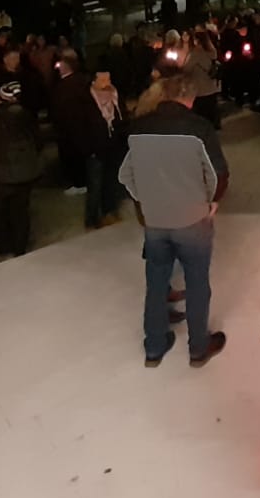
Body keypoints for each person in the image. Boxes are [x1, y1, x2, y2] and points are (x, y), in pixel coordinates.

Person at [118, 71, 229, 368]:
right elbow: (217, 172)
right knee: (196, 281)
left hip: (155, 220)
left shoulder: (139, 128)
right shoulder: (198, 128)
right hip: (193, 218)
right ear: (189, 97)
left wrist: (145, 200)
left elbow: (125, 174)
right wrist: (213, 202)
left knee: (156, 280)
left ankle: (154, 346)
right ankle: (198, 347)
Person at [0, 82, 44, 258]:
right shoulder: (29, 117)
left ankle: (4, 247)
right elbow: (38, 143)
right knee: (21, 212)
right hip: (26, 175)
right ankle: (20, 247)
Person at [83, 65, 126, 229]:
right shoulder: (86, 100)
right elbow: (81, 126)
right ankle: (92, 218)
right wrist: (88, 148)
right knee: (95, 184)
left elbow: (122, 118)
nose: (107, 82)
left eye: (108, 78)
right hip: (95, 148)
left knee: (111, 181)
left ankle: (109, 211)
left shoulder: (114, 95)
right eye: (103, 79)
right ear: (94, 81)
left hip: (113, 147)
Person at [50, 49, 95, 195]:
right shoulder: (82, 81)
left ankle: (79, 183)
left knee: (73, 157)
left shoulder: (65, 86)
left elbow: (61, 108)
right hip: (80, 127)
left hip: (70, 128)